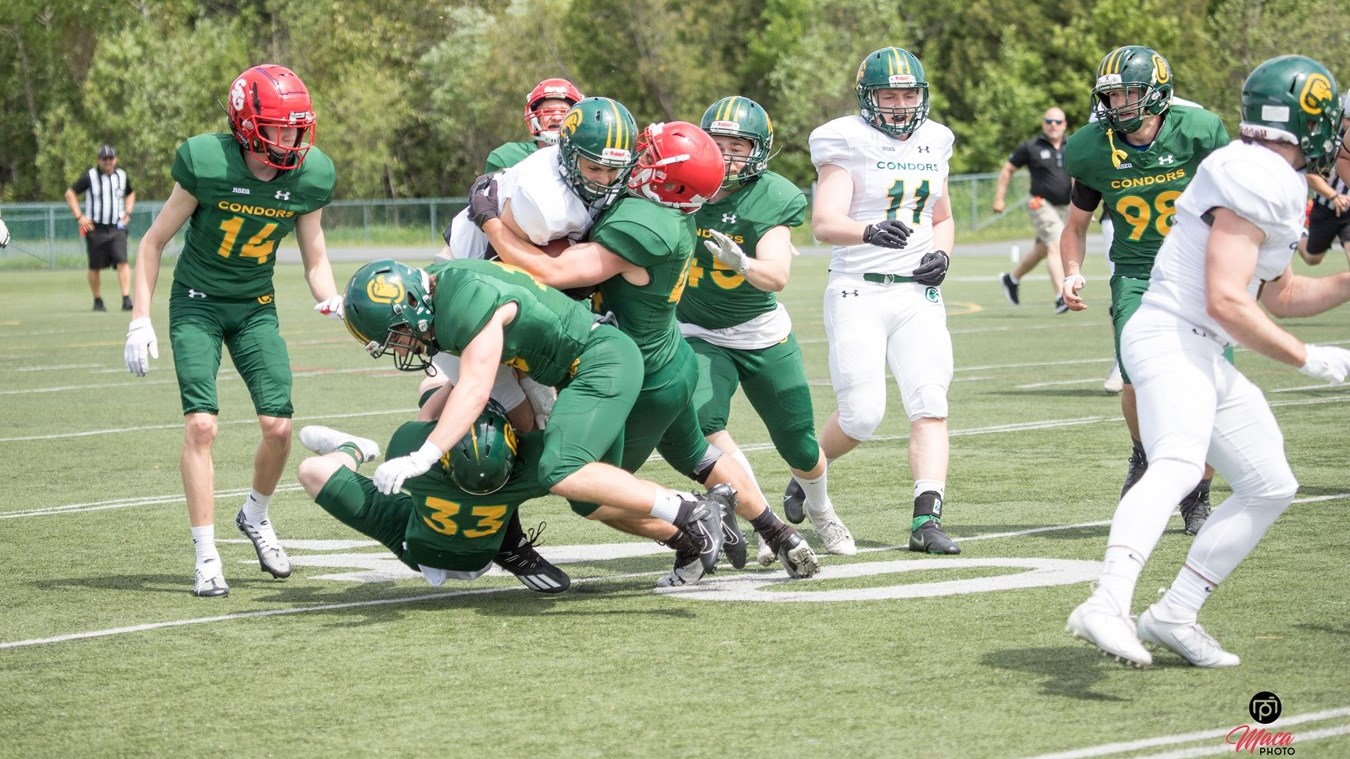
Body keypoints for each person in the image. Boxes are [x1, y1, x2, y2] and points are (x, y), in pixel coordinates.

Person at [1066, 55, 1348, 668]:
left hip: (1196, 345)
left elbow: (1281, 294)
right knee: (1176, 463)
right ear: (1311, 121)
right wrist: (1309, 359)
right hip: (1172, 334)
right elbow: (1225, 299)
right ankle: (1106, 602)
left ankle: (1174, 613)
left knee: (1270, 484)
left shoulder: (1268, 173)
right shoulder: (1256, 174)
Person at [478, 118, 821, 583]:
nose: (638, 162)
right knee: (698, 455)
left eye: (649, 158)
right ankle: (780, 534)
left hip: (637, 375)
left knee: (589, 493)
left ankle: (692, 530)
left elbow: (551, 271)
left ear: (669, 181)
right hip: (670, 359)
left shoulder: (647, 223)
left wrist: (490, 220)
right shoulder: (671, 212)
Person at [340, 257, 729, 584]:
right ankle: (690, 541)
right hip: (585, 368)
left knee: (560, 470)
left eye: (398, 334)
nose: (401, 346)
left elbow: (474, 390)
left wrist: (423, 456)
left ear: (411, 304)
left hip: (599, 361)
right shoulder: (437, 286)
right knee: (590, 500)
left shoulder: (462, 302)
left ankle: (692, 510)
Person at [122, 64, 346, 598]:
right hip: (196, 304)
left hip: (254, 307)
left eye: (296, 129)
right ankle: (206, 554)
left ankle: (255, 515)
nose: (290, 140)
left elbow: (315, 257)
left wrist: (332, 298)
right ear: (247, 125)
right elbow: (152, 242)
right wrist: (139, 317)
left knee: (279, 427)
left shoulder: (310, 175)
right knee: (202, 426)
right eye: (278, 128)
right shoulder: (208, 162)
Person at [1059, 45, 1230, 536]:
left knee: (1212, 389)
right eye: (1112, 96)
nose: (1119, 104)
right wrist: (1071, 270)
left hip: (1199, 273)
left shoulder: (1199, 132)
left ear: (1156, 93)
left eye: (1129, 93)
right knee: (1136, 379)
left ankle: (1197, 493)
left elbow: (1233, 200)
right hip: (1136, 274)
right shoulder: (1093, 148)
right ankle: (1142, 451)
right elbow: (1075, 226)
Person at [682, 96, 855, 558]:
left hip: (760, 331)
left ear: (758, 150)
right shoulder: (679, 184)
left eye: (737, 146)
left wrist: (743, 263)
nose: (726, 155)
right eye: (718, 143)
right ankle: (767, 523)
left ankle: (821, 510)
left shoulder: (771, 195)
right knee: (703, 421)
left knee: (799, 445)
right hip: (697, 330)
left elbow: (776, 276)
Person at [807, 46, 960, 555]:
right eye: (889, 95)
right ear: (868, 97)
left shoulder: (936, 139)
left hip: (918, 292)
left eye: (908, 94)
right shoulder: (846, 139)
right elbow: (824, 223)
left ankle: (926, 520)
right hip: (860, 287)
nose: (899, 105)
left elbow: (942, 217)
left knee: (930, 402)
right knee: (861, 416)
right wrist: (868, 230)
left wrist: (942, 254)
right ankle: (806, 472)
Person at [434, 96, 636, 434]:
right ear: (569, 155)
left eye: (613, 169)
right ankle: (421, 453)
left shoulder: (585, 171)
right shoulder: (545, 205)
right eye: (594, 168)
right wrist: (490, 221)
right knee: (527, 416)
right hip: (468, 286)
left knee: (522, 402)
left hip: (495, 284)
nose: (604, 179)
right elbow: (523, 267)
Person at [296, 403, 573, 594]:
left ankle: (354, 449)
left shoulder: (422, 464)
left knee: (312, 470)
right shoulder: (529, 471)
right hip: (480, 555)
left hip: (418, 546)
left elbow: (425, 419)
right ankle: (512, 547)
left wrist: (453, 384)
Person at [994, 108, 1072, 313]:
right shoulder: (1031, 147)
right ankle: (1060, 296)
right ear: (1043, 123)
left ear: (1064, 124)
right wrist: (999, 198)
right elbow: (1008, 169)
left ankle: (1012, 279)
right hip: (1040, 203)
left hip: (1065, 206)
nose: (1053, 125)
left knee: (1043, 250)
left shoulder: (1072, 145)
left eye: (1058, 121)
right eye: (1049, 121)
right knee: (1055, 244)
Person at [65, 144, 136, 311]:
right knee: (95, 266)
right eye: (104, 159)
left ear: (115, 159)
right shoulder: (90, 176)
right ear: (99, 160)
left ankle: (126, 299)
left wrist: (128, 212)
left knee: (122, 261)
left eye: (111, 158)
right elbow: (70, 193)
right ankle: (97, 300)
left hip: (117, 227)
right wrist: (80, 217)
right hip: (95, 228)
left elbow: (130, 193)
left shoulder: (122, 176)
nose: (108, 161)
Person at [484, 78, 584, 173]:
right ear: (535, 117)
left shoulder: (587, 157)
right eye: (548, 111)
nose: (557, 117)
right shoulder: (508, 156)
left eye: (564, 112)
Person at [1297, 88, 1350, 266]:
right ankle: (1300, 237)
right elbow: (1312, 176)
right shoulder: (1330, 144)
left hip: (1348, 211)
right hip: (1325, 208)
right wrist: (1333, 196)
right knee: (1312, 258)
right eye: (1348, 119)